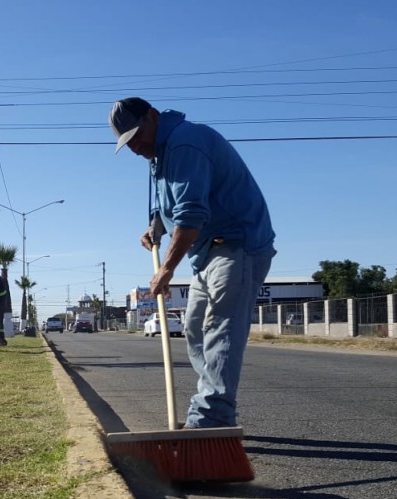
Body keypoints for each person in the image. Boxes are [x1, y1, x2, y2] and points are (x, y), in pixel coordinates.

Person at [109, 97, 276, 429]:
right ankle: (217, 413)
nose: (135, 147)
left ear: (153, 117)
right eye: (127, 142)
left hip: (237, 244)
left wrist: (167, 269)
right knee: (196, 328)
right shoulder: (159, 153)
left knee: (220, 328)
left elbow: (191, 214)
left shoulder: (185, 142)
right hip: (208, 252)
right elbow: (171, 205)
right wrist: (156, 224)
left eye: (137, 136)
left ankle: (210, 418)